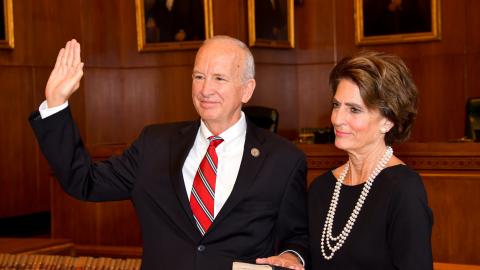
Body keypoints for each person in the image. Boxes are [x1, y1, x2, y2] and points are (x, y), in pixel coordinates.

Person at [29, 36, 308, 270]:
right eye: (199, 76)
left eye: (219, 78)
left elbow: (298, 235)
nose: (205, 89)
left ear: (247, 90)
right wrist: (56, 103)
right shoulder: (155, 145)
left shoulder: (283, 159)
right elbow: (84, 181)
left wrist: (292, 256)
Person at [308, 51, 433, 270]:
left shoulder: (403, 190)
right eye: (336, 105)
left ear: (388, 121)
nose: (337, 119)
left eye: (354, 109)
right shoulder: (322, 188)